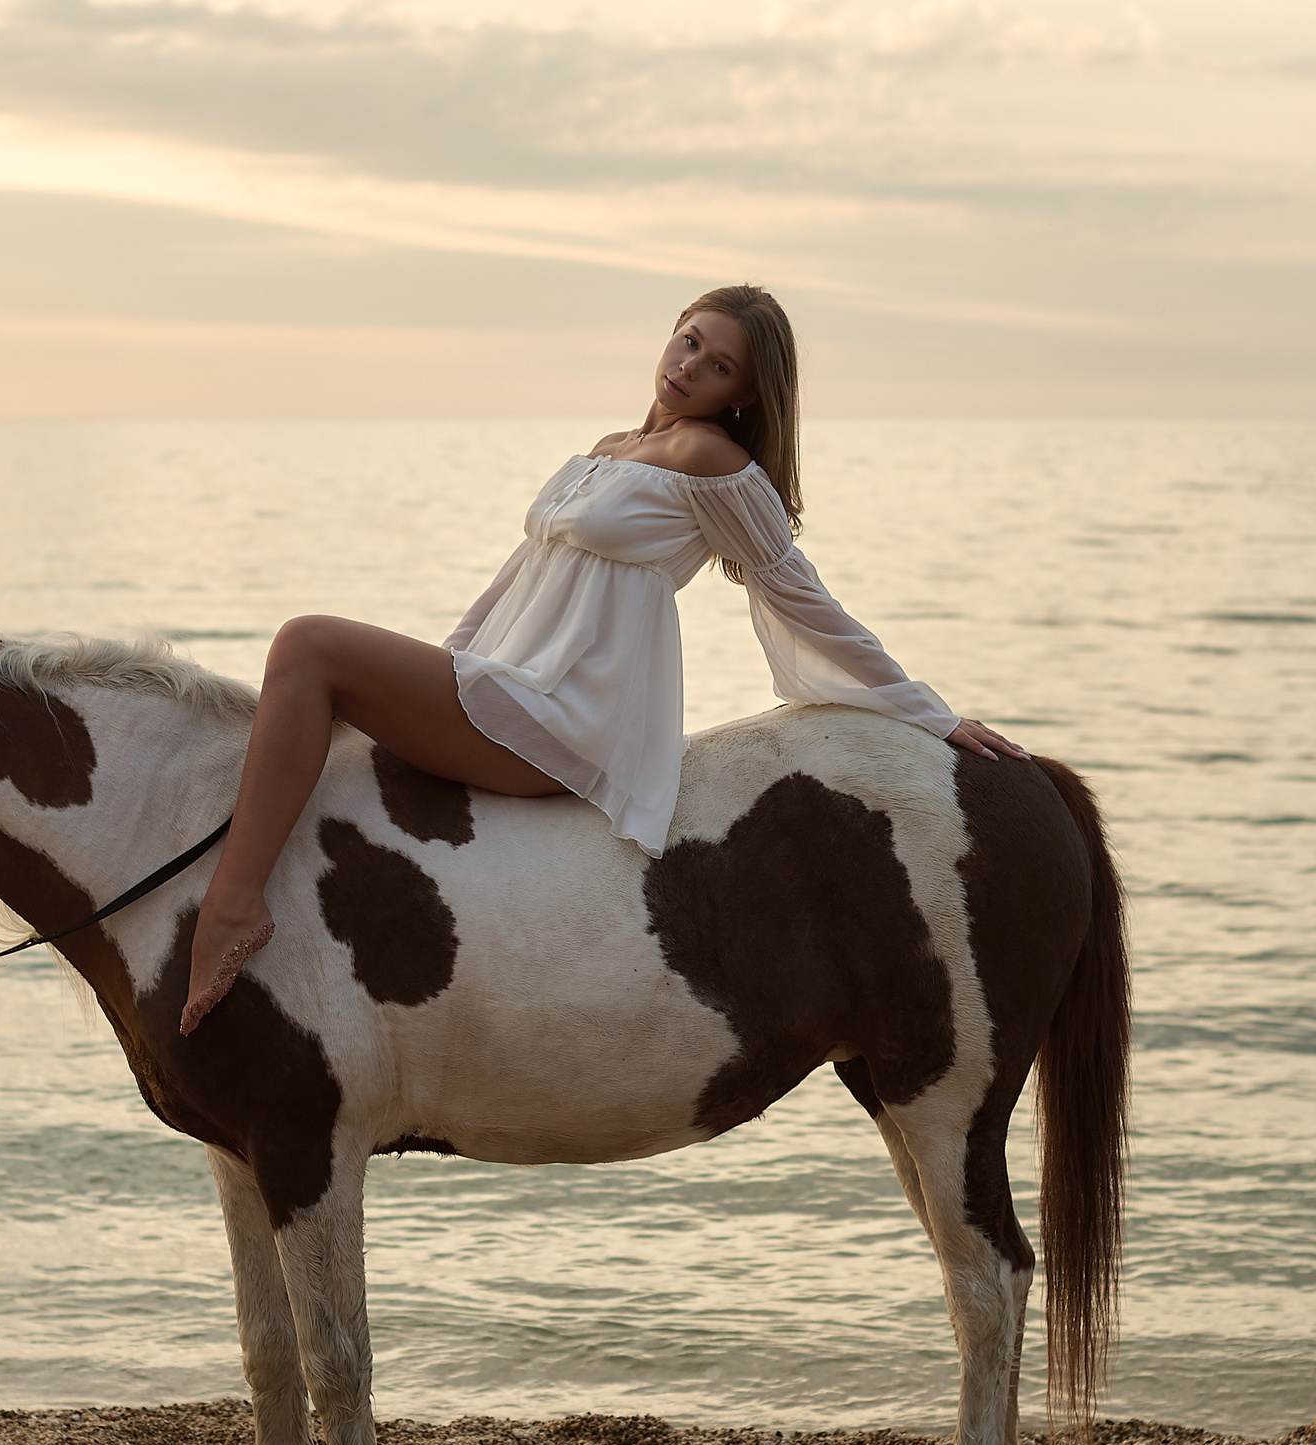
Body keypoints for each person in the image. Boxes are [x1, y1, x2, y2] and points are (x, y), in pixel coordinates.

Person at [179, 284, 1029, 1036]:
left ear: (744, 396)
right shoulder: (611, 445)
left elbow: (798, 595)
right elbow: (517, 581)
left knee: (305, 644)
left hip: (562, 716)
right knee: (330, 684)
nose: (691, 366)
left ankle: (233, 905)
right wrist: (439, 671)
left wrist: (929, 712)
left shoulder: (711, 461)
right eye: (689, 338)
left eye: (720, 365)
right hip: (502, 683)